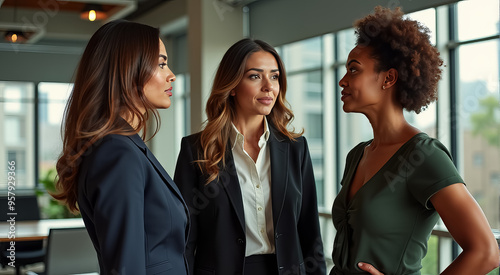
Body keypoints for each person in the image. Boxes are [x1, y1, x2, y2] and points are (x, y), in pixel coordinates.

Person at [331, 6, 499, 275]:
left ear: (388, 78)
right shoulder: (357, 155)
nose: (342, 81)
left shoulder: (423, 155)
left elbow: (486, 252)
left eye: (353, 70)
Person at [174, 38, 326, 275]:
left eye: (274, 76)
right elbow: (184, 239)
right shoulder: (196, 150)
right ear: (232, 86)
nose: (269, 87)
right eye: (255, 76)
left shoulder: (296, 149)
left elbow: (310, 232)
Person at [53, 20, 189, 275]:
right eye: (161, 64)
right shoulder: (117, 152)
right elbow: (127, 266)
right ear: (128, 69)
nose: (171, 74)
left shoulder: (121, 146)